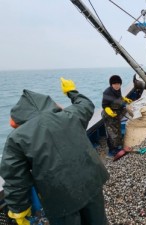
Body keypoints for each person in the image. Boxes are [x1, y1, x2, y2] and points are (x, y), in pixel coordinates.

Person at [0, 78, 109, 225]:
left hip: (60, 197)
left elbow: (15, 178)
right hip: (91, 182)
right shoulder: (70, 115)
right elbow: (86, 105)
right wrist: (72, 92)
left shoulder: (16, 138)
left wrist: (19, 209)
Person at [102, 75, 133, 157]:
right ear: (111, 84)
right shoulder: (107, 92)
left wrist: (125, 99)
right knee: (112, 133)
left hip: (116, 114)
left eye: (118, 84)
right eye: (114, 84)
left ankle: (118, 147)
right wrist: (109, 111)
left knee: (118, 131)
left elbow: (118, 97)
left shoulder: (118, 90)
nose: (117, 85)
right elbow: (104, 105)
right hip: (108, 115)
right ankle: (112, 151)